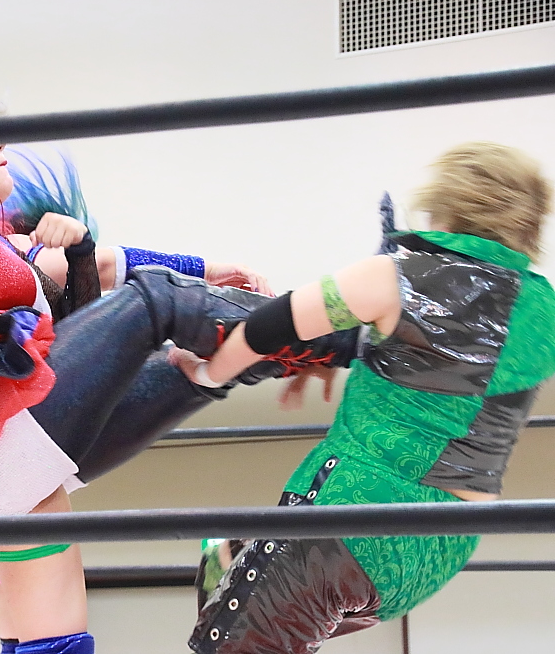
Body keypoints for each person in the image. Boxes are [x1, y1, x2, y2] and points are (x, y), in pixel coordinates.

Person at [0, 72, 356, 654]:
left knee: (192, 368)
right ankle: (345, 334)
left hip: (8, 463)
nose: (3, 145)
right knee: (155, 302)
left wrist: (208, 267)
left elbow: (106, 264)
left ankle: (317, 343)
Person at [172, 142, 555, 653]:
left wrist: (207, 374)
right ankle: (229, 557)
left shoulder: (406, 275)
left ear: (450, 204)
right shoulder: (546, 310)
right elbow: (454, 370)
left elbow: (270, 325)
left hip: (355, 516)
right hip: (435, 553)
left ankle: (229, 559)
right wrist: (353, 350)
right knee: (233, 572)